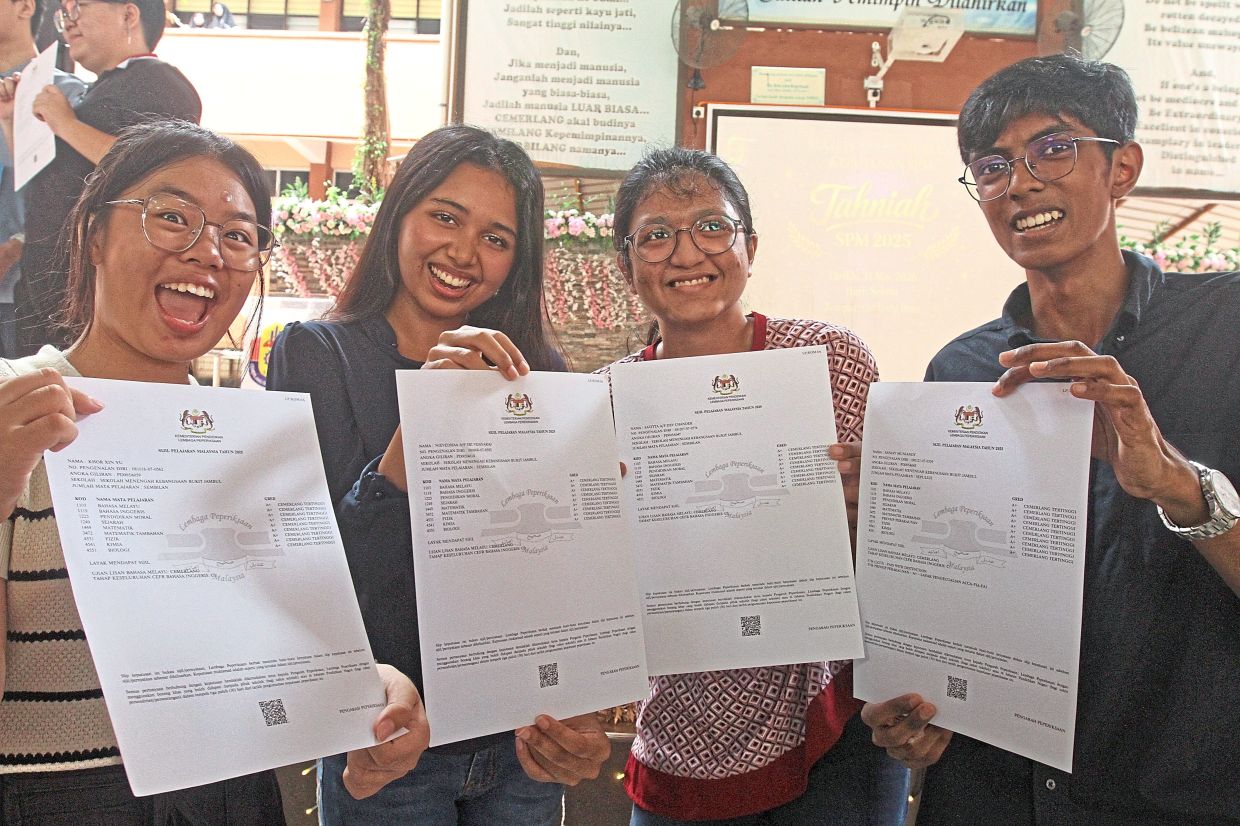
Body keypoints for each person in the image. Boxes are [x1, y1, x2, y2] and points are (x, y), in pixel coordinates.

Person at [0, 120, 430, 825]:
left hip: (237, 799)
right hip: (56, 798)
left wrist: (372, 693)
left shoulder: (248, 443)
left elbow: (282, 651)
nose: (208, 251)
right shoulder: (13, 407)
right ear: (94, 235)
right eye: (172, 217)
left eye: (239, 235)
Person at [858, 54, 1240, 825]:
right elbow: (954, 598)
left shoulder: (1226, 330)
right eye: (992, 167)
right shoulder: (963, 369)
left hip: (1173, 795)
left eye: (1054, 148)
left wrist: (1177, 484)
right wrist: (917, 708)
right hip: (990, 795)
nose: (1021, 183)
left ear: (1121, 168)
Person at [266, 124, 609, 826]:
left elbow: (546, 577)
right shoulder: (317, 353)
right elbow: (317, 580)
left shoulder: (533, 372)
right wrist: (420, 432)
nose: (463, 252)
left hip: (520, 738)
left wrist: (600, 514)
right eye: (445, 217)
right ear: (401, 213)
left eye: (496, 237)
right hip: (387, 742)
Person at [599, 147, 908, 826]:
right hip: (679, 731)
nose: (687, 254)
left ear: (750, 245)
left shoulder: (832, 361)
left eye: (712, 227)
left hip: (836, 721)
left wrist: (875, 511)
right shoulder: (603, 404)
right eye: (656, 235)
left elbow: (885, 551)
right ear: (627, 266)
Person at [1, 0, 200, 355]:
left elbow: (155, 169)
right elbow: (40, 180)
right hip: (44, 285)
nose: (68, 24)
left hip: (87, 293)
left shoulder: (161, 82)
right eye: (64, 14)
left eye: (78, 9)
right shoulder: (98, 90)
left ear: (129, 14)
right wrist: (12, 120)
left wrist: (67, 124)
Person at [0, 0, 85, 357]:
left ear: (24, 6)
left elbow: (76, 197)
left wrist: (17, 246)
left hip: (21, 300)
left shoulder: (66, 96)